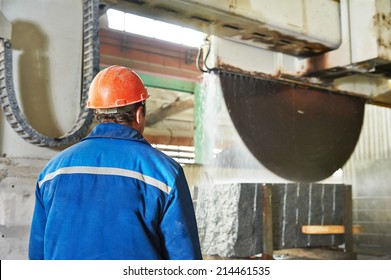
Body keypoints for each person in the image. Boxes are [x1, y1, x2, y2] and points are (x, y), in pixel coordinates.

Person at [28, 65, 202, 260]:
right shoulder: (165, 174)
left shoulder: (52, 172)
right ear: (138, 113)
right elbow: (184, 260)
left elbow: (37, 256)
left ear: (97, 114)